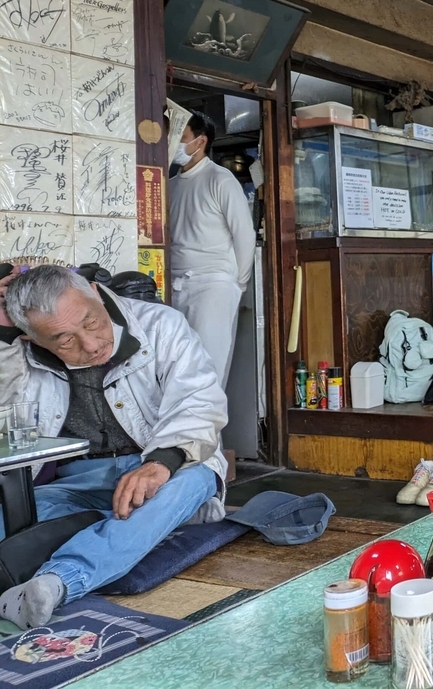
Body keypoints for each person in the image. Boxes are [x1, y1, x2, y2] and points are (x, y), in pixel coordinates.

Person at [0, 265, 228, 628]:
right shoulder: (22, 352)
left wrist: (160, 463)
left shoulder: (161, 325)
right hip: (78, 484)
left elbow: (199, 401)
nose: (90, 345)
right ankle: (151, 523)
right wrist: (3, 340)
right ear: (32, 338)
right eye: (64, 340)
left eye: (90, 322)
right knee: (8, 513)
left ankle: (60, 580)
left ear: (95, 291)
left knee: (195, 480)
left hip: (169, 467)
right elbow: (5, 424)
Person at [168, 111, 256, 386]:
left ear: (200, 141)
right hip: (175, 284)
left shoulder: (221, 179)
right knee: (177, 367)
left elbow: (244, 235)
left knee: (208, 368)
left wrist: (237, 284)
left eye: (181, 138)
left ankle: (209, 431)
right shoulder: (169, 185)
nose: (175, 145)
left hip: (213, 285)